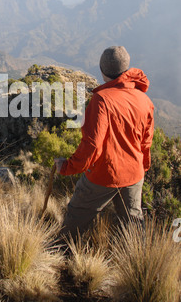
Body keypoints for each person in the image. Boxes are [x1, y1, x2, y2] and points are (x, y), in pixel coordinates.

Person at [54, 46, 154, 239]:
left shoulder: (102, 101)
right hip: (134, 173)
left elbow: (92, 146)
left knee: (76, 216)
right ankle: (139, 262)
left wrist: (66, 167)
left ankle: (60, 255)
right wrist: (142, 167)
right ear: (126, 68)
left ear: (102, 70)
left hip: (104, 174)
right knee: (133, 225)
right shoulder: (144, 99)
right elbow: (146, 142)